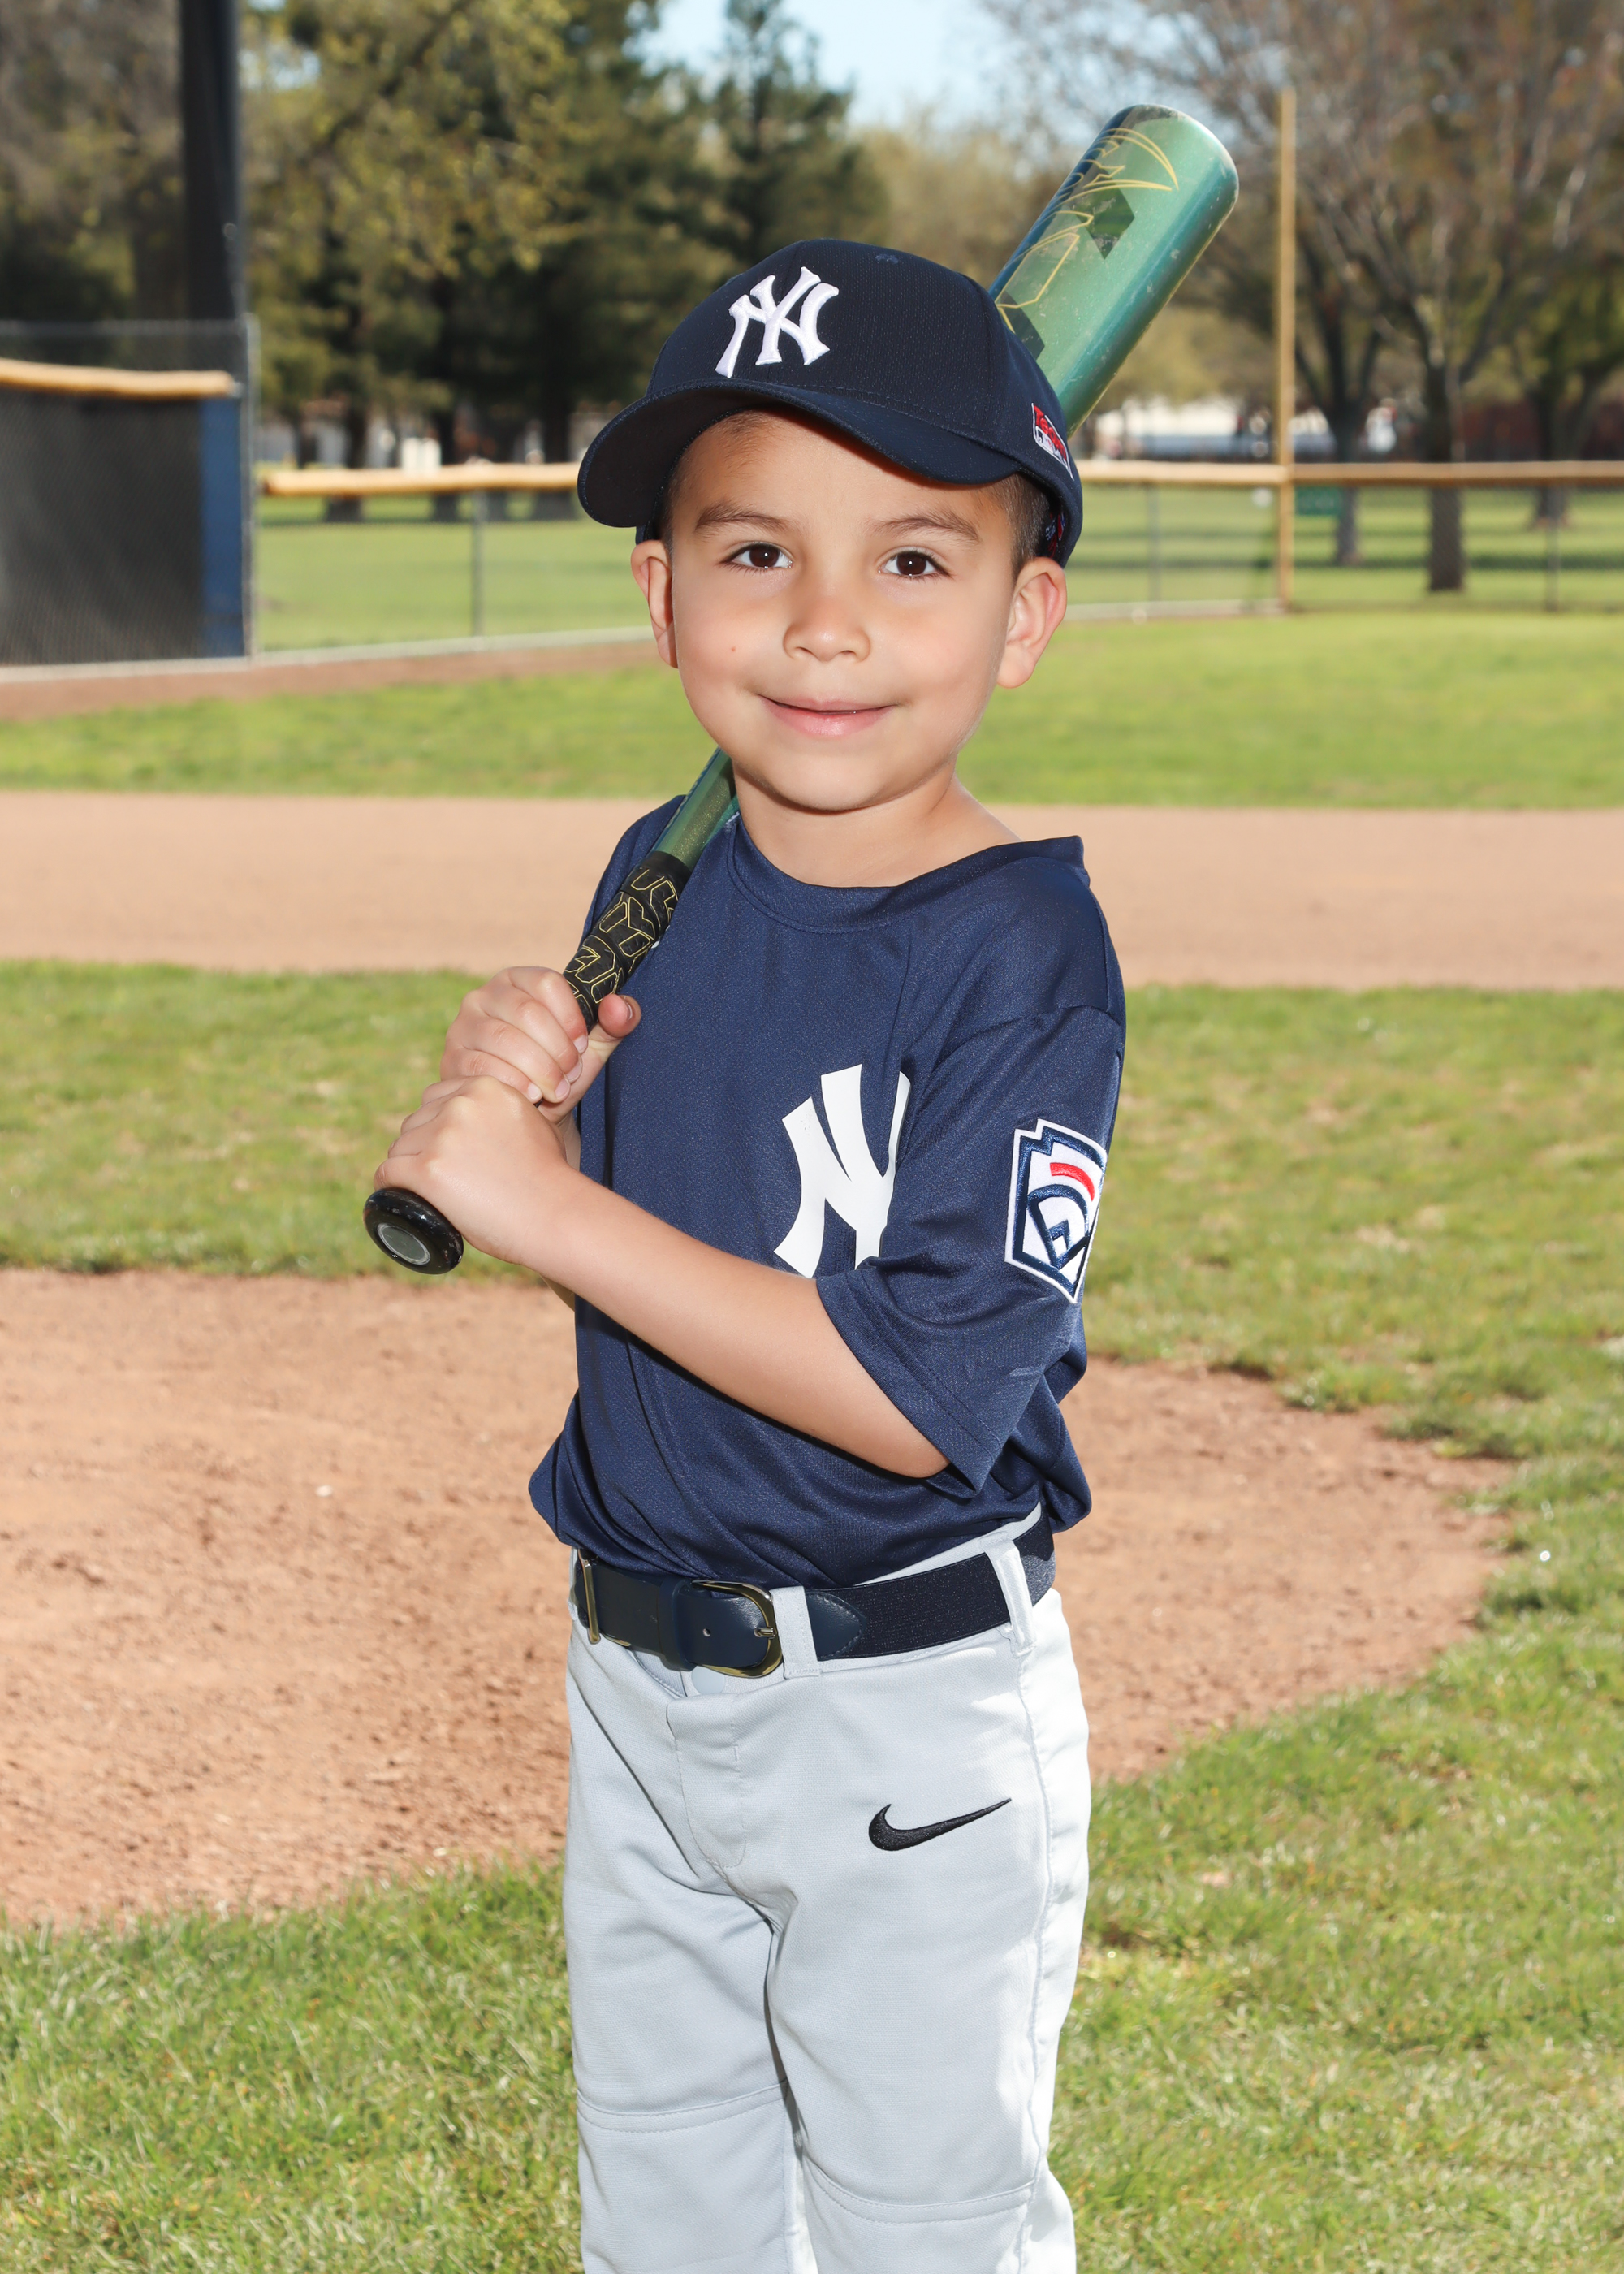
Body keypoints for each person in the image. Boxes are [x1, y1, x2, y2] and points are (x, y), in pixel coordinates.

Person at [375, 240, 1125, 2273]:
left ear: (1023, 614)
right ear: (661, 594)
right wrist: (531, 1127)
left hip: (901, 1712)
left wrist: (555, 1208)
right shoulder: (666, 863)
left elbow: (920, 1393)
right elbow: (662, 1242)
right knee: (671, 2225)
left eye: (913, 558)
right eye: (756, 552)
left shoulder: (1021, 951)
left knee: (920, 2231)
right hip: (637, 1677)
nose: (823, 624)